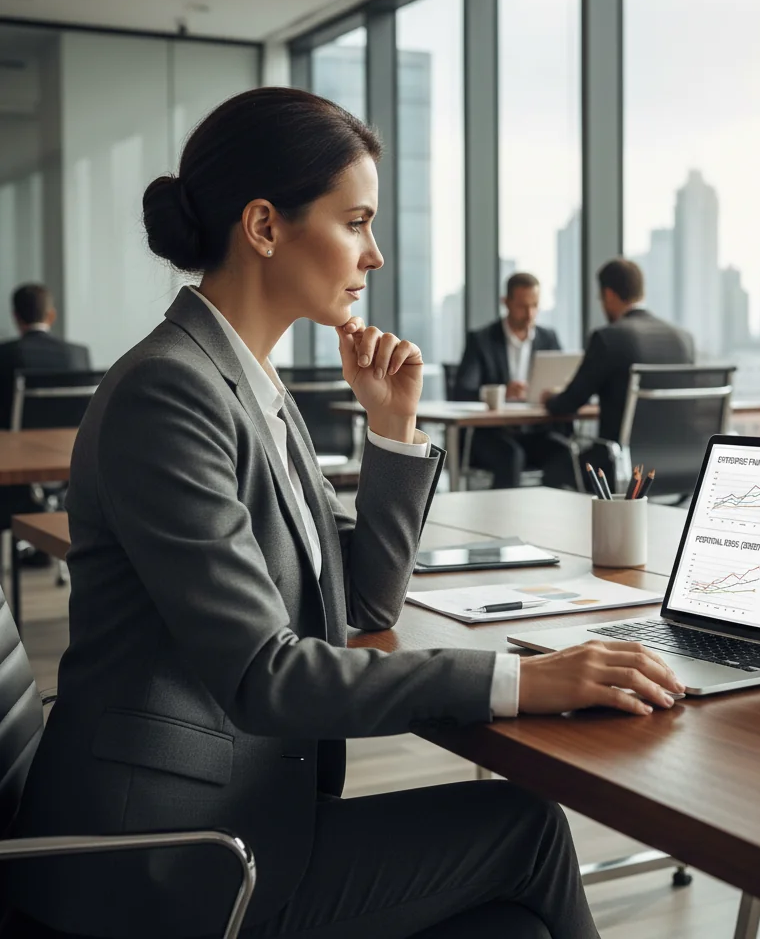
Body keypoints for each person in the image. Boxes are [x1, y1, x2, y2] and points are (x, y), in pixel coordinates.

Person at [7, 88, 683, 939]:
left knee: (512, 912)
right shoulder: (169, 392)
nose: (375, 255)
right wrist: (522, 680)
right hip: (163, 858)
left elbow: (361, 603)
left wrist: (392, 430)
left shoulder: (248, 381)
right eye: (357, 221)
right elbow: (267, 675)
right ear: (264, 226)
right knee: (530, 833)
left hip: (238, 813)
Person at [543, 258, 696, 490]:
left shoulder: (608, 338)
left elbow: (569, 402)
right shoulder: (683, 339)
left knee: (554, 468)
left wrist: (549, 398)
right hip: (683, 462)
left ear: (609, 294)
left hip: (621, 464)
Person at [452, 274, 564, 489]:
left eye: (535, 306)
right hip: (491, 434)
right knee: (511, 456)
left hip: (535, 430)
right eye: (523, 306)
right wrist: (503, 392)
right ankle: (502, 511)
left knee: (563, 453)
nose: (530, 314)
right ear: (506, 302)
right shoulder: (481, 340)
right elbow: (463, 390)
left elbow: (561, 383)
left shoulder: (548, 338)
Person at [0, 283, 91, 429]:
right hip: (67, 440)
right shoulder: (79, 353)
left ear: (16, 316)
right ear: (51, 315)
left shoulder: (5, 353)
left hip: (15, 441)